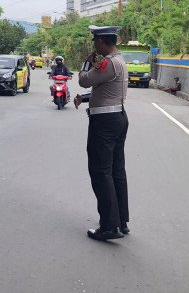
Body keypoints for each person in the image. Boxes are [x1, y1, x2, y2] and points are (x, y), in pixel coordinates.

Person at [73, 26, 129, 241]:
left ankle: (109, 226)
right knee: (116, 170)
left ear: (101, 41)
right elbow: (108, 90)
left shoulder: (108, 62)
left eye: (95, 41)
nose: (94, 46)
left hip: (104, 122)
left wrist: (87, 63)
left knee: (100, 171)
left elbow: (84, 80)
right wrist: (86, 98)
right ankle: (120, 221)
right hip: (117, 117)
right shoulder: (120, 61)